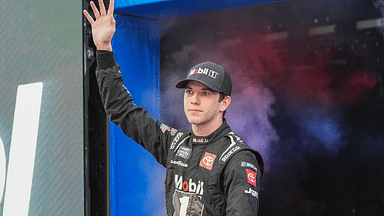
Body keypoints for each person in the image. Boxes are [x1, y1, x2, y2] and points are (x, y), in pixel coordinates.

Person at [84, 0, 264, 215]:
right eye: (189, 92)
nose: (194, 99)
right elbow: (121, 110)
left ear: (224, 103)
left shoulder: (238, 158)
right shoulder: (176, 144)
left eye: (205, 93)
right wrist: (104, 49)